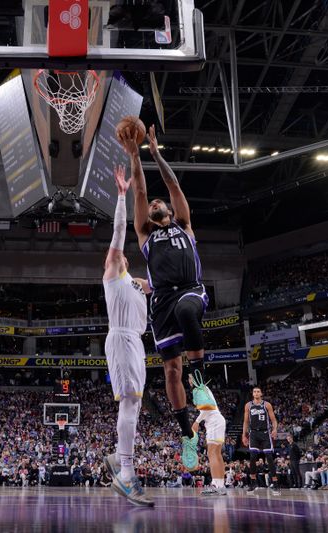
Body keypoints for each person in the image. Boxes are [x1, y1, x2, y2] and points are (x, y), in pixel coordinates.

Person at [119, 124, 213, 471]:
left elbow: (172, 184)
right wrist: (134, 155)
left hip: (190, 290)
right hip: (160, 302)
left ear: (170, 212)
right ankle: (187, 435)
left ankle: (201, 383)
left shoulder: (184, 224)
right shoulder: (145, 234)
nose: (156, 202)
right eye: (154, 203)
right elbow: (140, 190)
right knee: (172, 372)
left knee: (190, 313)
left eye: (161, 203)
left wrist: (155, 153)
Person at [101, 165, 153, 507]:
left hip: (136, 342)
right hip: (121, 338)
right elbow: (120, 234)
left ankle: (119, 459)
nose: (120, 255)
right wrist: (123, 196)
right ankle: (126, 474)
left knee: (135, 404)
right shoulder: (113, 272)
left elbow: (158, 280)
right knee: (131, 403)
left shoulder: (137, 285)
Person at [190, 371, 227, 496]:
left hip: (214, 422)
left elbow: (207, 407)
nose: (189, 380)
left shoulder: (199, 390)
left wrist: (196, 422)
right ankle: (220, 485)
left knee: (212, 453)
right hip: (218, 420)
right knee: (217, 454)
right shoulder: (204, 389)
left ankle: (216, 485)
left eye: (190, 378)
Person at [242, 387, 280, 495]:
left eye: (258, 391)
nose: (256, 393)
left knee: (269, 457)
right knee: (253, 456)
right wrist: (243, 435)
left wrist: (275, 429)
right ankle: (253, 482)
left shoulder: (267, 405)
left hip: (265, 433)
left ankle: (275, 483)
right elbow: (245, 421)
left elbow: (273, 420)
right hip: (253, 433)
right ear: (252, 394)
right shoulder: (248, 405)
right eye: (254, 391)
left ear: (261, 393)